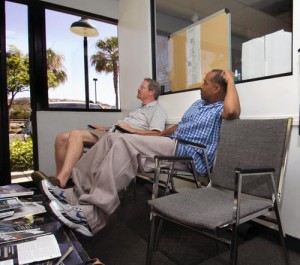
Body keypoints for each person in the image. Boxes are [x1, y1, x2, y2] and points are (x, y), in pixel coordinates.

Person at [39, 69, 240, 237]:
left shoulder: (222, 107)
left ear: (216, 88)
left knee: (126, 143)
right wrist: (160, 134)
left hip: (190, 154)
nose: (200, 86)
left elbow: (233, 112)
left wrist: (230, 80)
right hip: (172, 143)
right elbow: (180, 126)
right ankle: (74, 194)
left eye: (205, 83)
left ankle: (92, 215)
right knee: (111, 138)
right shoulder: (198, 104)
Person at [32, 78, 167, 188]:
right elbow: (124, 126)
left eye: (142, 87)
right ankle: (59, 181)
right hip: (111, 133)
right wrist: (106, 128)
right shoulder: (139, 110)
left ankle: (61, 181)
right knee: (61, 137)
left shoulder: (157, 111)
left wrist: (132, 130)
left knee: (76, 134)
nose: (138, 89)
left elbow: (156, 134)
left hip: (119, 140)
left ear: (151, 92)